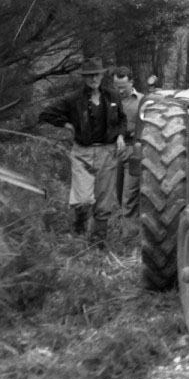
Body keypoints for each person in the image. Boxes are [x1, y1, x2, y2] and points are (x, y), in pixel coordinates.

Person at [38, 57, 126, 249]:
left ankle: (98, 243)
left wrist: (120, 136)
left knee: (103, 202)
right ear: (84, 78)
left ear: (102, 75)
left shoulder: (112, 96)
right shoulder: (73, 99)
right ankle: (79, 225)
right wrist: (67, 124)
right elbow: (46, 113)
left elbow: (122, 120)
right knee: (84, 200)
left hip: (107, 152)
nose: (94, 79)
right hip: (82, 152)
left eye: (97, 74)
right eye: (89, 76)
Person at [112, 66, 143, 232]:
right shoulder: (109, 100)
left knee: (129, 194)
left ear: (131, 82)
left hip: (133, 150)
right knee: (117, 194)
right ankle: (125, 227)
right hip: (112, 151)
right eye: (117, 86)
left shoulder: (142, 101)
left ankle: (129, 235)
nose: (120, 90)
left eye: (123, 86)